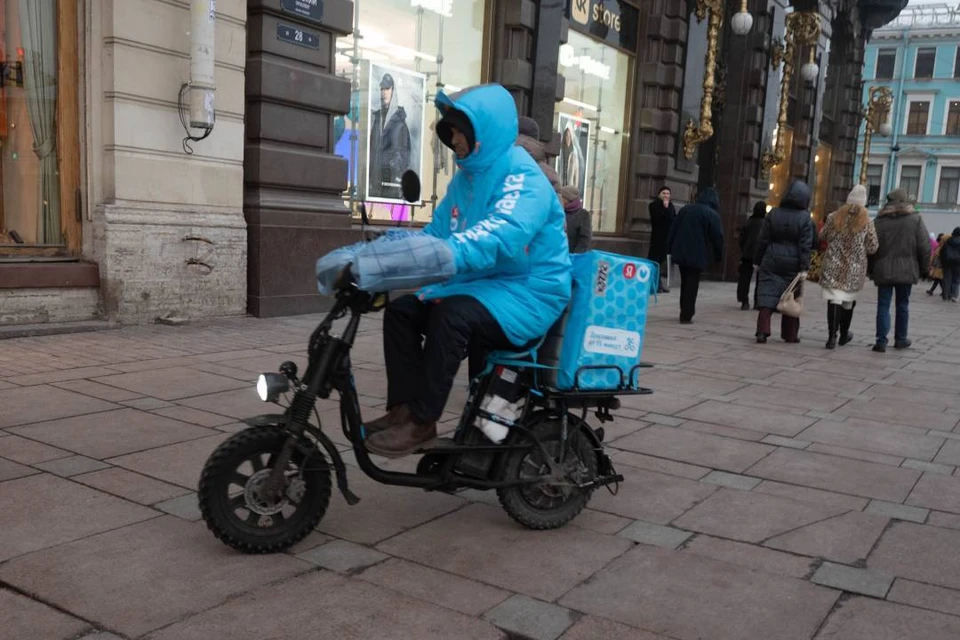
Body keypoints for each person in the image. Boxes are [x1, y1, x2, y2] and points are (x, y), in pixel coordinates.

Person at [363, 84, 572, 457]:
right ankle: (404, 410)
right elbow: (436, 233)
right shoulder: (465, 180)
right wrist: (387, 253)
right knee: (401, 309)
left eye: (459, 129)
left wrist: (444, 253)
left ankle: (423, 422)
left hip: (529, 293)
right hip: (485, 287)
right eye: (450, 131)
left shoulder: (523, 178)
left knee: (451, 316)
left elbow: (502, 235)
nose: (453, 138)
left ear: (483, 129)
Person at [869, 189, 930, 352]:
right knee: (902, 304)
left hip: (883, 269)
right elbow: (924, 246)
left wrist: (871, 269)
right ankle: (900, 339)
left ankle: (881, 341)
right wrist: (925, 269)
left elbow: (871, 247)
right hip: (906, 269)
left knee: (883, 305)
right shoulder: (915, 219)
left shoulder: (879, 220)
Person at [818, 185, 879, 349]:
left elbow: (823, 235)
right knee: (848, 302)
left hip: (833, 264)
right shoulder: (867, 221)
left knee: (834, 299)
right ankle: (844, 335)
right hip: (854, 267)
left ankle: (831, 337)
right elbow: (873, 246)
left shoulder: (833, 217)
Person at [754, 180, 814, 344]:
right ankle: (790, 334)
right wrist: (804, 267)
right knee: (791, 295)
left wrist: (757, 260)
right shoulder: (805, 218)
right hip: (793, 262)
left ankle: (762, 330)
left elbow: (763, 239)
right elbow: (805, 245)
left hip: (771, 257)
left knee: (767, 294)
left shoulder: (773, 213)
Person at [666, 187, 724, 324]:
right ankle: (687, 313)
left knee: (685, 282)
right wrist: (718, 255)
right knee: (692, 284)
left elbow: (673, 229)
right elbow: (718, 237)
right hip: (698, 253)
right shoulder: (712, 214)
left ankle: (683, 310)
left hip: (681, 251)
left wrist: (669, 248)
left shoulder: (686, 209)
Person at [369, 73, 412, 199]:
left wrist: (390, 167)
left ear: (393, 91)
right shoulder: (377, 120)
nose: (384, 93)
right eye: (382, 89)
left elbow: (404, 157)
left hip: (392, 189)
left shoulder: (400, 124)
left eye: (387, 89)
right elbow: (372, 152)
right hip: (374, 187)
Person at [737, 202, 766, 310]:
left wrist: (744, 249)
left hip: (747, 254)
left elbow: (741, 239)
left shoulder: (749, 222)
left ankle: (744, 301)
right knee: (760, 280)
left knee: (744, 279)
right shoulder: (766, 223)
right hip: (761, 255)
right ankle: (758, 302)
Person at [648, 186, 676, 293]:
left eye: (668, 193)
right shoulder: (654, 205)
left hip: (667, 239)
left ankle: (659, 284)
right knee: (655, 261)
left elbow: (672, 220)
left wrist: (667, 208)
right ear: (659, 194)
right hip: (657, 239)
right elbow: (658, 220)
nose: (666, 195)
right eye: (664, 193)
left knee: (661, 262)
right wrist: (664, 208)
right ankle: (654, 284)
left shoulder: (671, 206)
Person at [559, 185, 592, 253]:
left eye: (562, 196)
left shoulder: (583, 214)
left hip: (573, 256)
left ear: (568, 199)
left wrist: (576, 256)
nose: (559, 198)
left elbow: (585, 239)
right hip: (558, 255)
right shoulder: (560, 211)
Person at [560, 123, 585, 192]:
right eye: (566, 136)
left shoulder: (574, 151)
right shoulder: (561, 150)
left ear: (571, 138)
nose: (568, 138)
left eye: (569, 136)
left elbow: (576, 170)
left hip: (569, 184)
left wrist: (575, 187)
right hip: (561, 181)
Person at [940, 227, 960, 302]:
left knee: (947, 279)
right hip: (958, 263)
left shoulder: (948, 241)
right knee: (956, 279)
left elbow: (942, 251)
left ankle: (946, 295)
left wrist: (943, 261)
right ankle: (953, 295)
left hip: (947, 262)